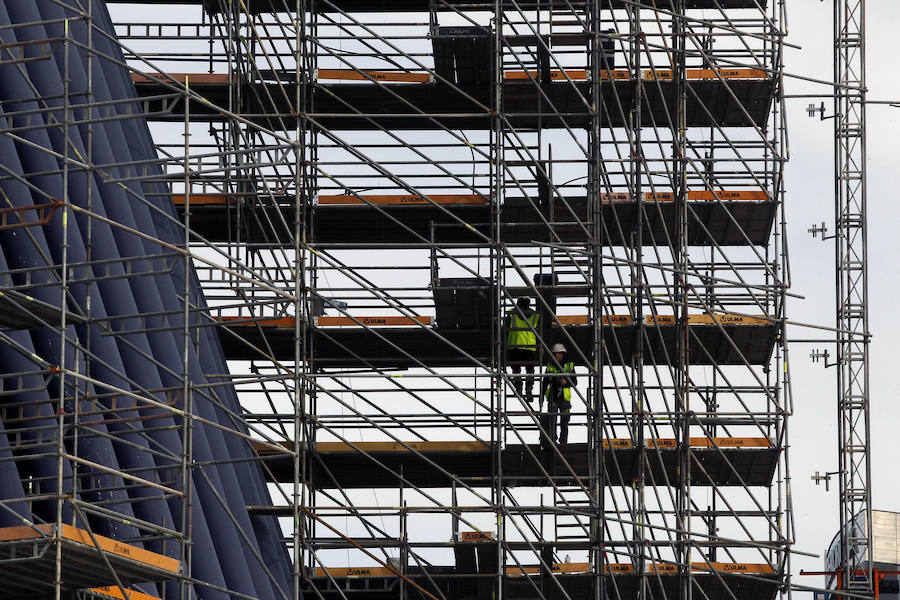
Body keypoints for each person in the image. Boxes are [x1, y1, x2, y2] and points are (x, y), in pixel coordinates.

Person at [506, 296, 540, 402]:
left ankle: (519, 388)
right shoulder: (535, 315)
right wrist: (541, 346)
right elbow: (539, 333)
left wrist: (502, 344)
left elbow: (505, 330)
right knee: (530, 370)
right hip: (531, 347)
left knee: (516, 370)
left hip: (514, 345)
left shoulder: (511, 313)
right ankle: (529, 390)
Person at [541, 343, 576, 444]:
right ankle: (553, 441)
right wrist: (541, 396)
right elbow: (545, 382)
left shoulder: (569, 365)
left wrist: (566, 383)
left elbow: (575, 382)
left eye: (557, 354)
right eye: (554, 354)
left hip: (565, 398)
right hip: (553, 396)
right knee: (552, 421)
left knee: (564, 422)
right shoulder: (550, 365)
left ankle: (563, 442)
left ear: (562, 354)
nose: (556, 356)